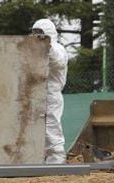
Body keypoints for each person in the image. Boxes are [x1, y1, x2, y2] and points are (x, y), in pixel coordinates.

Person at [31, 19, 68, 164]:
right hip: (34, 93)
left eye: (39, 33)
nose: (35, 36)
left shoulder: (58, 49)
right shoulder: (33, 51)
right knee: (34, 127)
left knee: (51, 126)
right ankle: (38, 158)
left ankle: (57, 158)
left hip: (51, 93)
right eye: (34, 33)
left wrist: (47, 46)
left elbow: (58, 62)